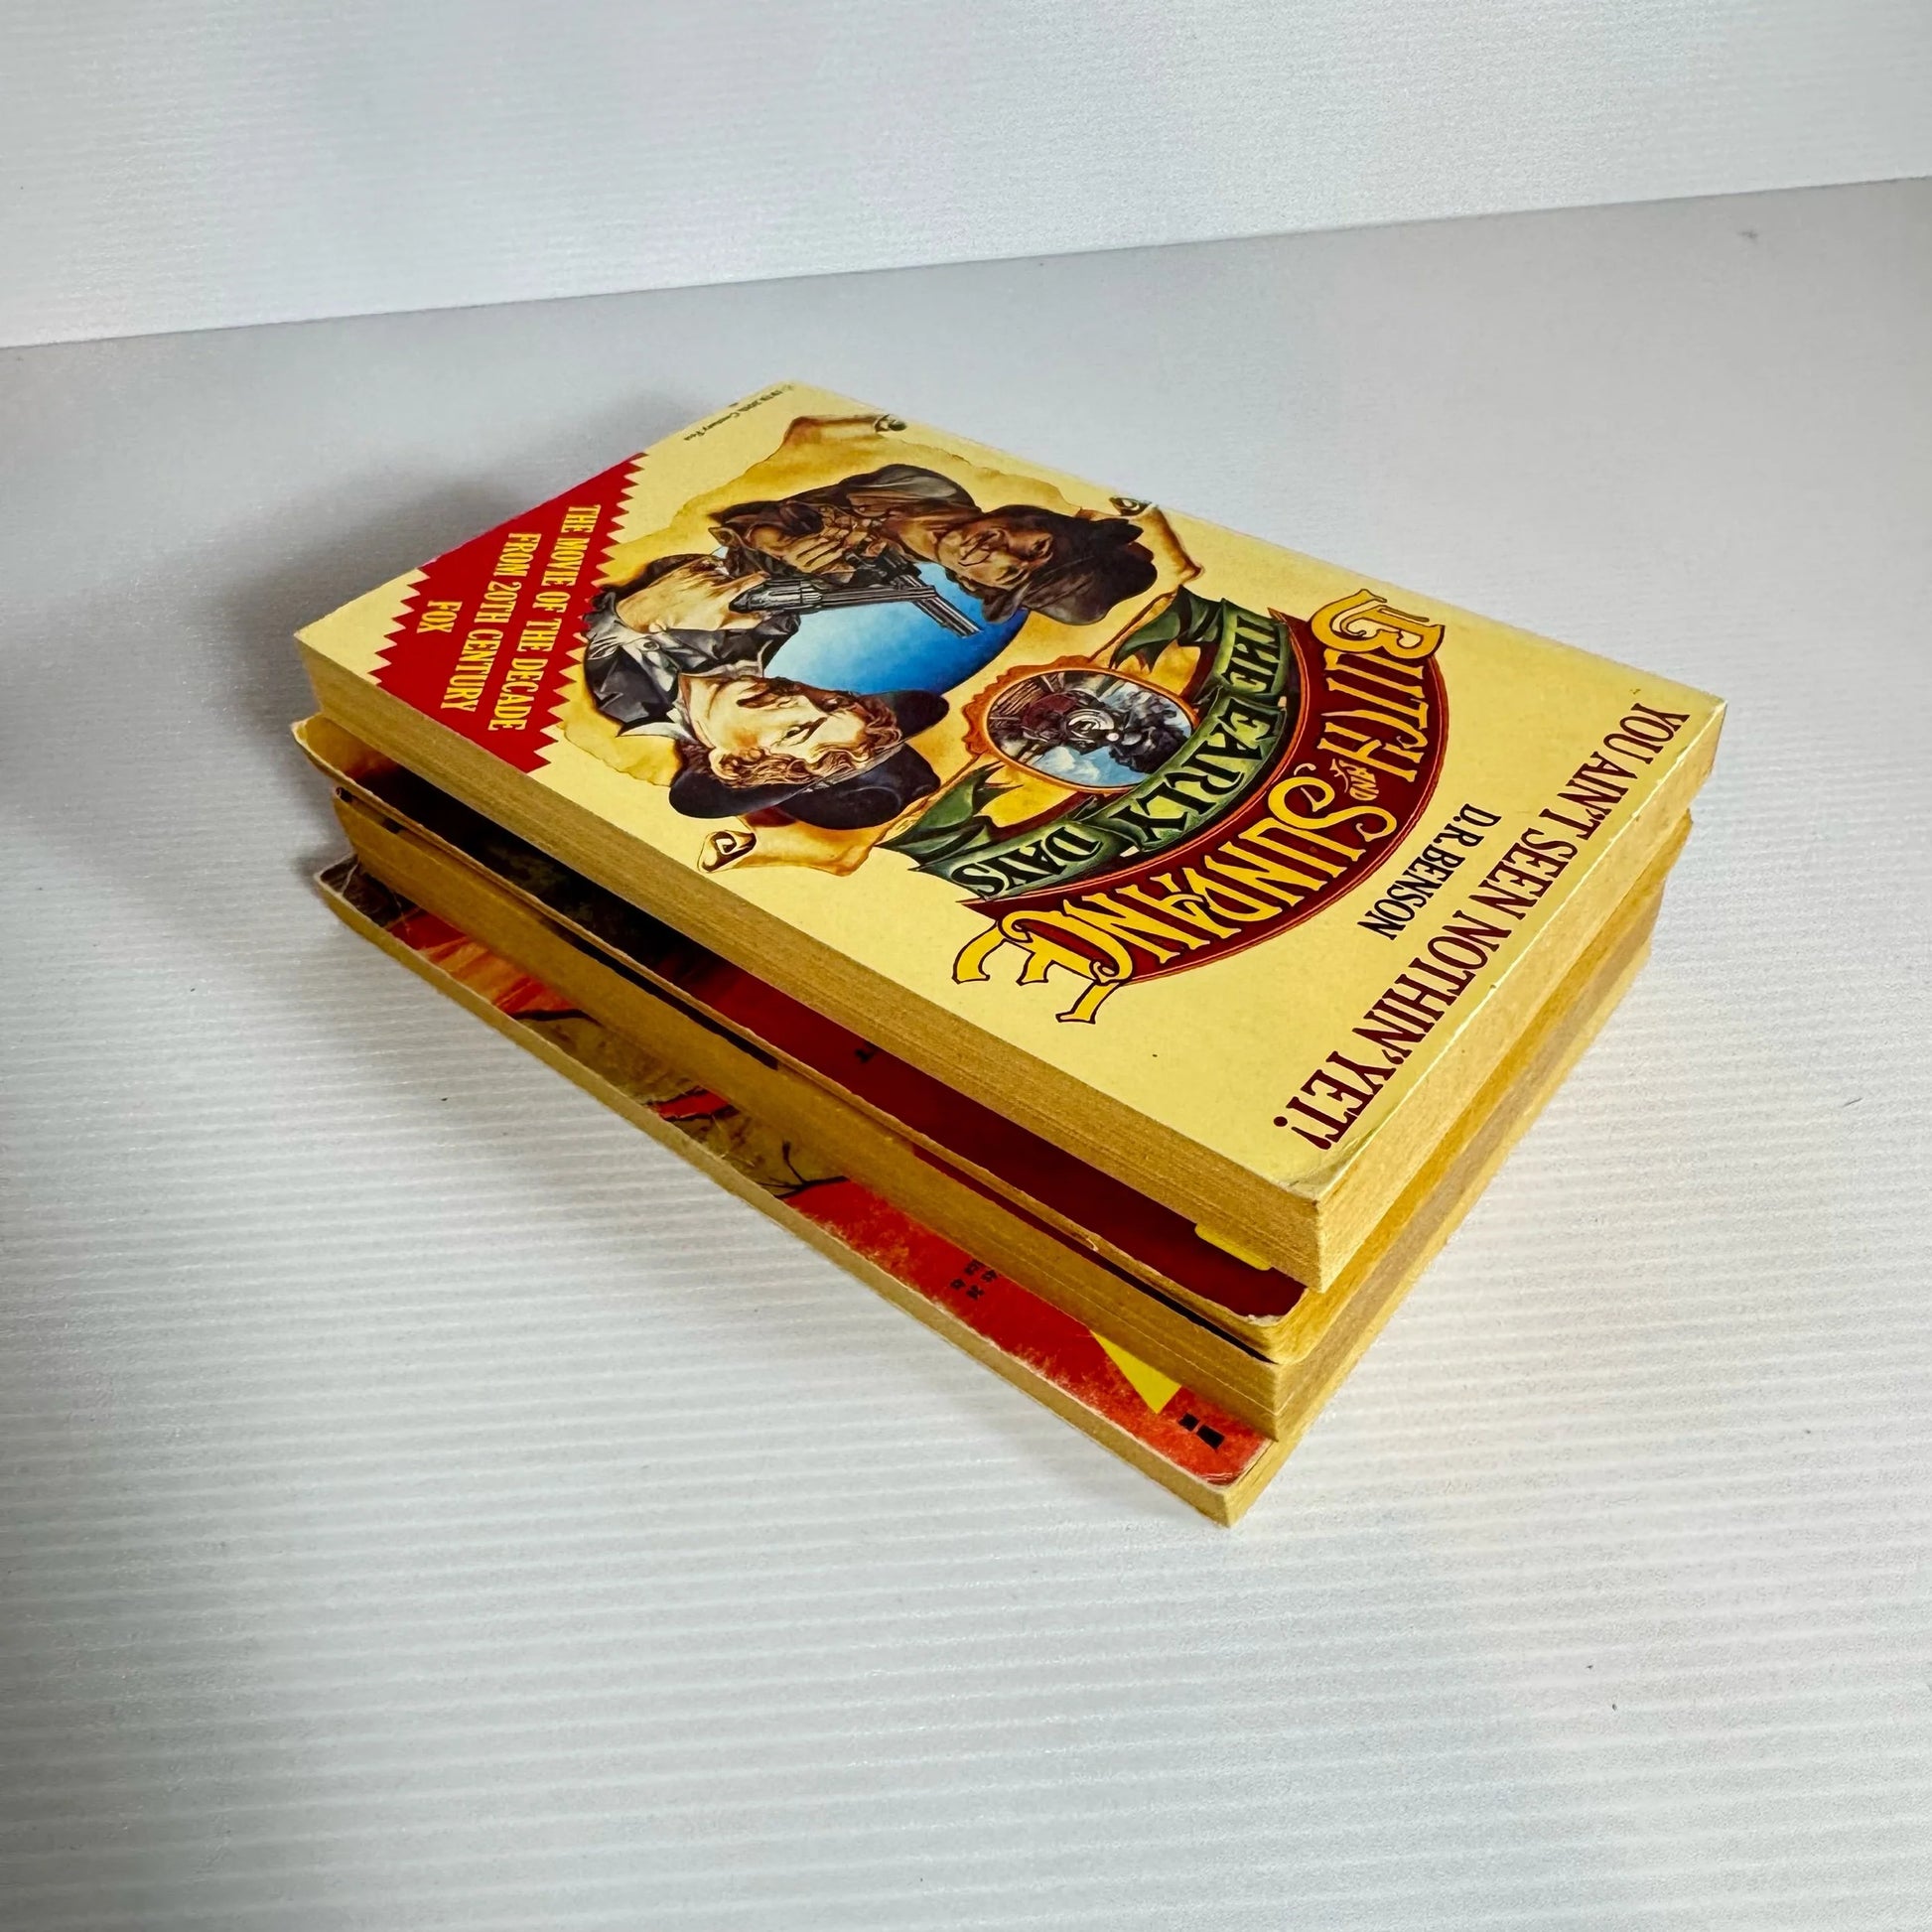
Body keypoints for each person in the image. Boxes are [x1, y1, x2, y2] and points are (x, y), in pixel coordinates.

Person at [580, 553, 947, 829]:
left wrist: (631, 615)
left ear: (730, 763)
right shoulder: (771, 624)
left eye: (796, 730)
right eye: (832, 703)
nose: (800, 699)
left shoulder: (621, 696)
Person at [713, 464, 1158, 626]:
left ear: (975, 585)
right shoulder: (922, 483)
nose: (997, 553)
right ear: (1034, 517)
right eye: (1037, 547)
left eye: (1009, 573)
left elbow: (737, 584)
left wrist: (773, 544)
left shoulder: (859, 575)